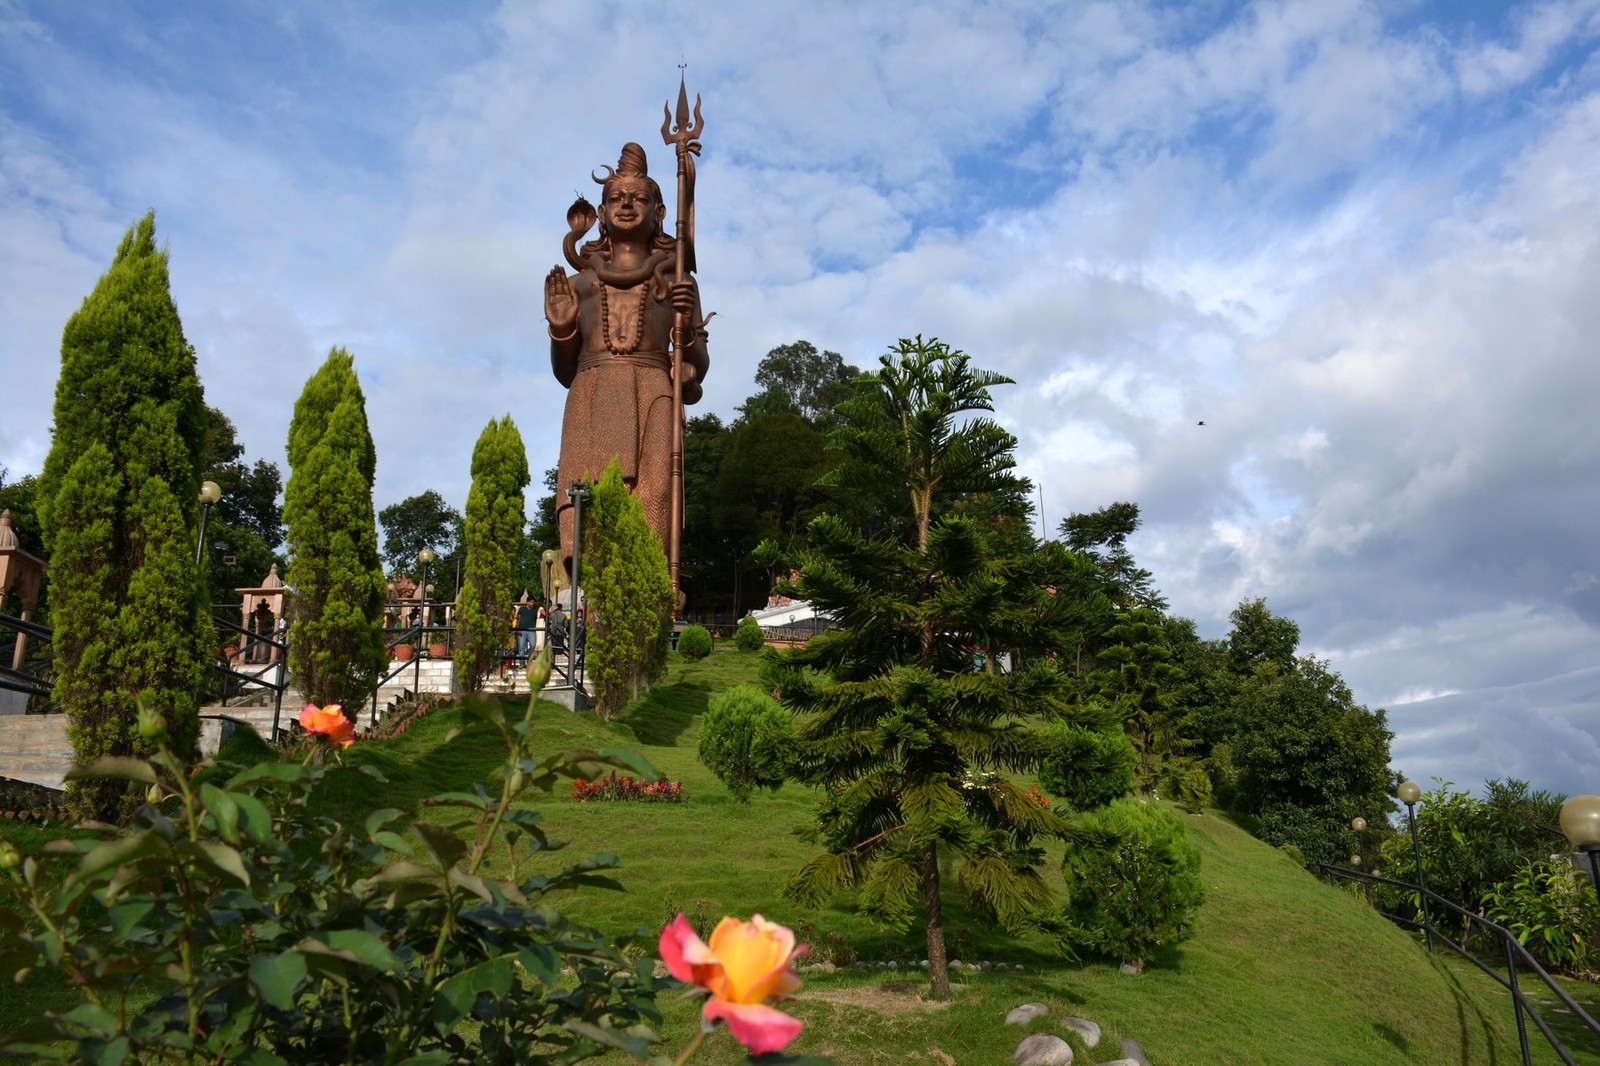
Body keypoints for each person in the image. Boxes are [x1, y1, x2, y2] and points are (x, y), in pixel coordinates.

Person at [545, 141, 710, 575]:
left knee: (652, 499)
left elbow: (699, 366)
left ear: (659, 212)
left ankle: (642, 589)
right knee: (587, 501)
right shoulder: (582, 284)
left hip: (653, 391)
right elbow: (565, 372)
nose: (627, 205)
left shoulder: (676, 281)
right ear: (600, 213)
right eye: (616, 198)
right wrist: (562, 329)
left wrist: (689, 325)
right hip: (592, 391)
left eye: (639, 199)